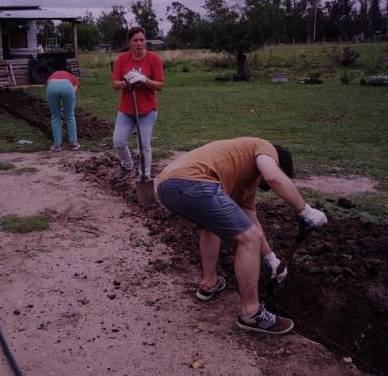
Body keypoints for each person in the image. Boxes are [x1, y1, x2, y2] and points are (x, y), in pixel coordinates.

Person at [156, 137, 328, 335]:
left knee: (212, 226)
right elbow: (272, 176)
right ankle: (251, 314)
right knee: (249, 239)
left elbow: (252, 222)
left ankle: (208, 283)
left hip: (167, 185)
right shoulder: (263, 147)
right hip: (193, 182)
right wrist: (305, 211)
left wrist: (271, 259)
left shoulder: (243, 181)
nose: (267, 186)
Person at [111, 26, 164, 181]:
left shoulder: (154, 59)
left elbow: (159, 85)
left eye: (142, 40)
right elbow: (115, 84)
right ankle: (127, 165)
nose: (139, 43)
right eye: (135, 40)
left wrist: (144, 79)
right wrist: (128, 82)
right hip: (127, 109)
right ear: (129, 42)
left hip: (148, 109)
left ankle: (144, 176)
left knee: (144, 145)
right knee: (118, 142)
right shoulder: (123, 59)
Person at [45, 70, 81, 151]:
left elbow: (47, 86)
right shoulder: (72, 77)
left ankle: (57, 145)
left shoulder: (51, 76)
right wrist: (69, 101)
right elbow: (75, 87)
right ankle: (74, 144)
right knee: (70, 116)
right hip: (67, 88)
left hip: (51, 87)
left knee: (55, 116)